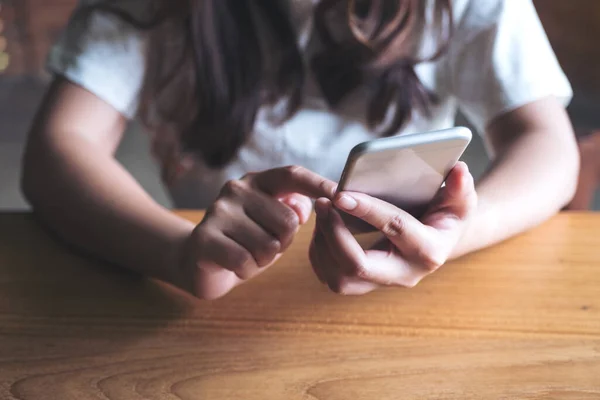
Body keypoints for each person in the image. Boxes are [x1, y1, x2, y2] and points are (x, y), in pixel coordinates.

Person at [21, 0, 579, 299]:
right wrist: (179, 254)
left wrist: (454, 235)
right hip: (226, 301)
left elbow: (547, 143)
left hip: (409, 296)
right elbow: (58, 148)